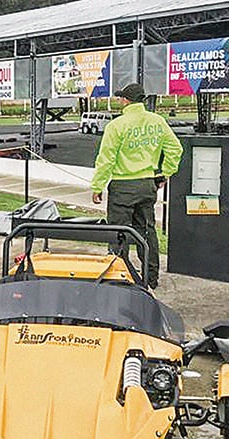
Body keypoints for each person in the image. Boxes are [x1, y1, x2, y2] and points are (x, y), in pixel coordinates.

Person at [91, 83, 182, 289]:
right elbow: (175, 149)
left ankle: (120, 276)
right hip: (147, 185)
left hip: (122, 186)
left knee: (118, 233)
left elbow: (106, 159)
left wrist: (98, 186)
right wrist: (165, 172)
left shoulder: (117, 125)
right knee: (147, 232)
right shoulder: (157, 122)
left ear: (125, 101)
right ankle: (150, 278)